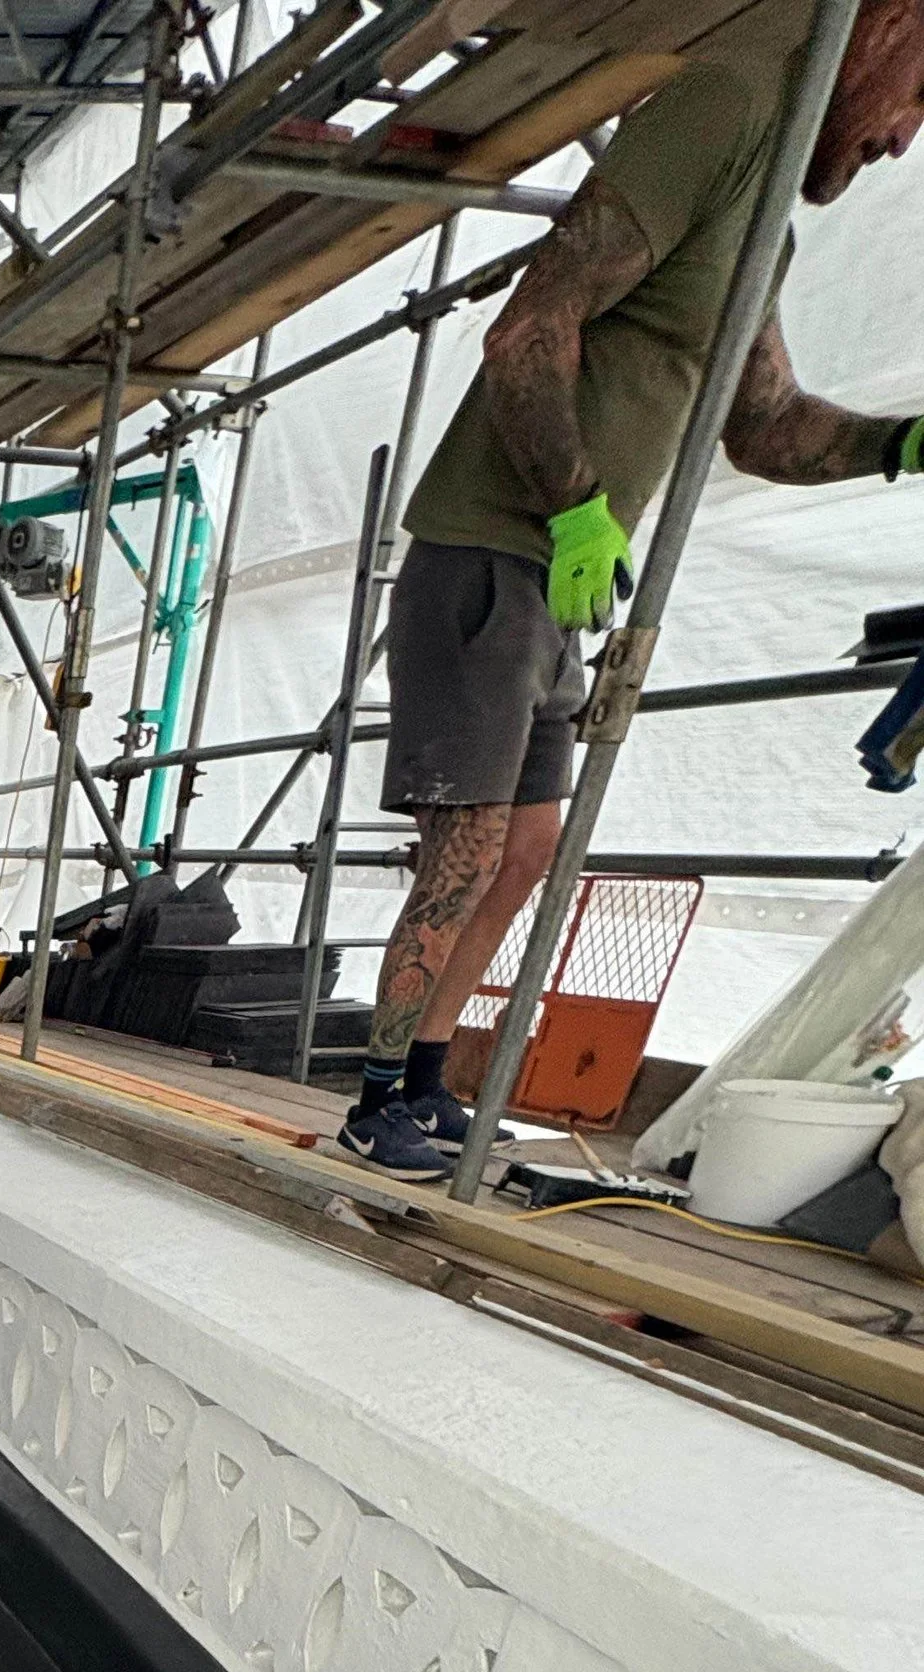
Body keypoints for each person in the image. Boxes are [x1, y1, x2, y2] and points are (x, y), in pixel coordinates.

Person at [337, 0, 924, 1177]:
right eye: (920, 98)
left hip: (562, 573)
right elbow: (528, 331)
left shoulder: (767, 212)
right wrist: (574, 507)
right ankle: (370, 1101)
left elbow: (761, 425)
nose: (903, 140)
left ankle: (426, 1082)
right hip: (496, 551)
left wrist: (896, 445)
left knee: (521, 851)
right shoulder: (732, 101)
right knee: (466, 848)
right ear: (892, 26)